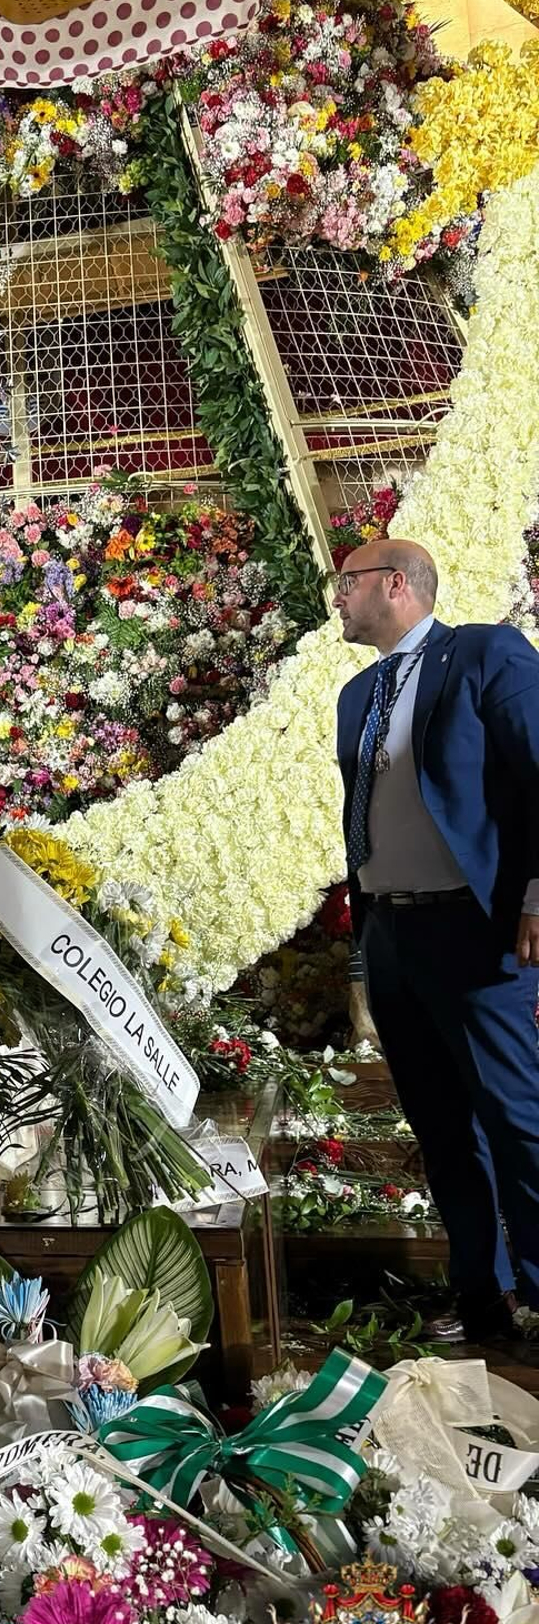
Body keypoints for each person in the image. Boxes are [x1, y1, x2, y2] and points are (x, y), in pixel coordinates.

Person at [335, 537, 539, 1345]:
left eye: (346, 584)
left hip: (472, 927)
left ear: (395, 584)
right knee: (441, 1126)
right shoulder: (356, 696)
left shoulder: (488, 654)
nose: (338, 599)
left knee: (518, 1117)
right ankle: (483, 1299)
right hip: (391, 930)